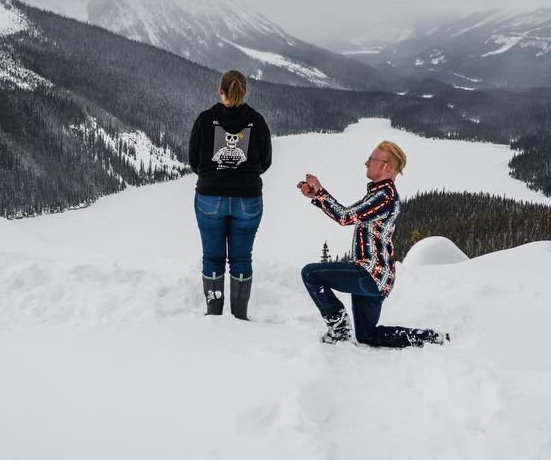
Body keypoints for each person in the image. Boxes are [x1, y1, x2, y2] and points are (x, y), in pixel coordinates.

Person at [297, 140, 447, 347]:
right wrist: (317, 196)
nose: (366, 163)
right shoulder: (380, 194)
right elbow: (347, 213)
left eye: (371, 159)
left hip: (370, 274)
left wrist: (321, 191)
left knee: (310, 274)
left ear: (387, 167)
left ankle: (339, 330)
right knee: (367, 336)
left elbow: (345, 217)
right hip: (378, 278)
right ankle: (430, 338)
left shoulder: (384, 196)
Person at [188, 70, 272, 319]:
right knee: (241, 259)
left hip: (210, 197)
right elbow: (265, 162)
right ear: (245, 91)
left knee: (212, 258)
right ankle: (239, 317)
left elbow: (194, 160)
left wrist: (214, 176)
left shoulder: (205, 119)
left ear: (220, 90)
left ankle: (214, 315)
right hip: (248, 198)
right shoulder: (257, 121)